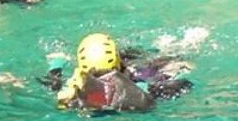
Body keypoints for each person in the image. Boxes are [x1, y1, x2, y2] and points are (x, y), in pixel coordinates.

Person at [48, 33, 193, 112]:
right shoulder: (140, 84)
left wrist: (57, 63)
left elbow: (53, 80)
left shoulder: (68, 93)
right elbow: (179, 84)